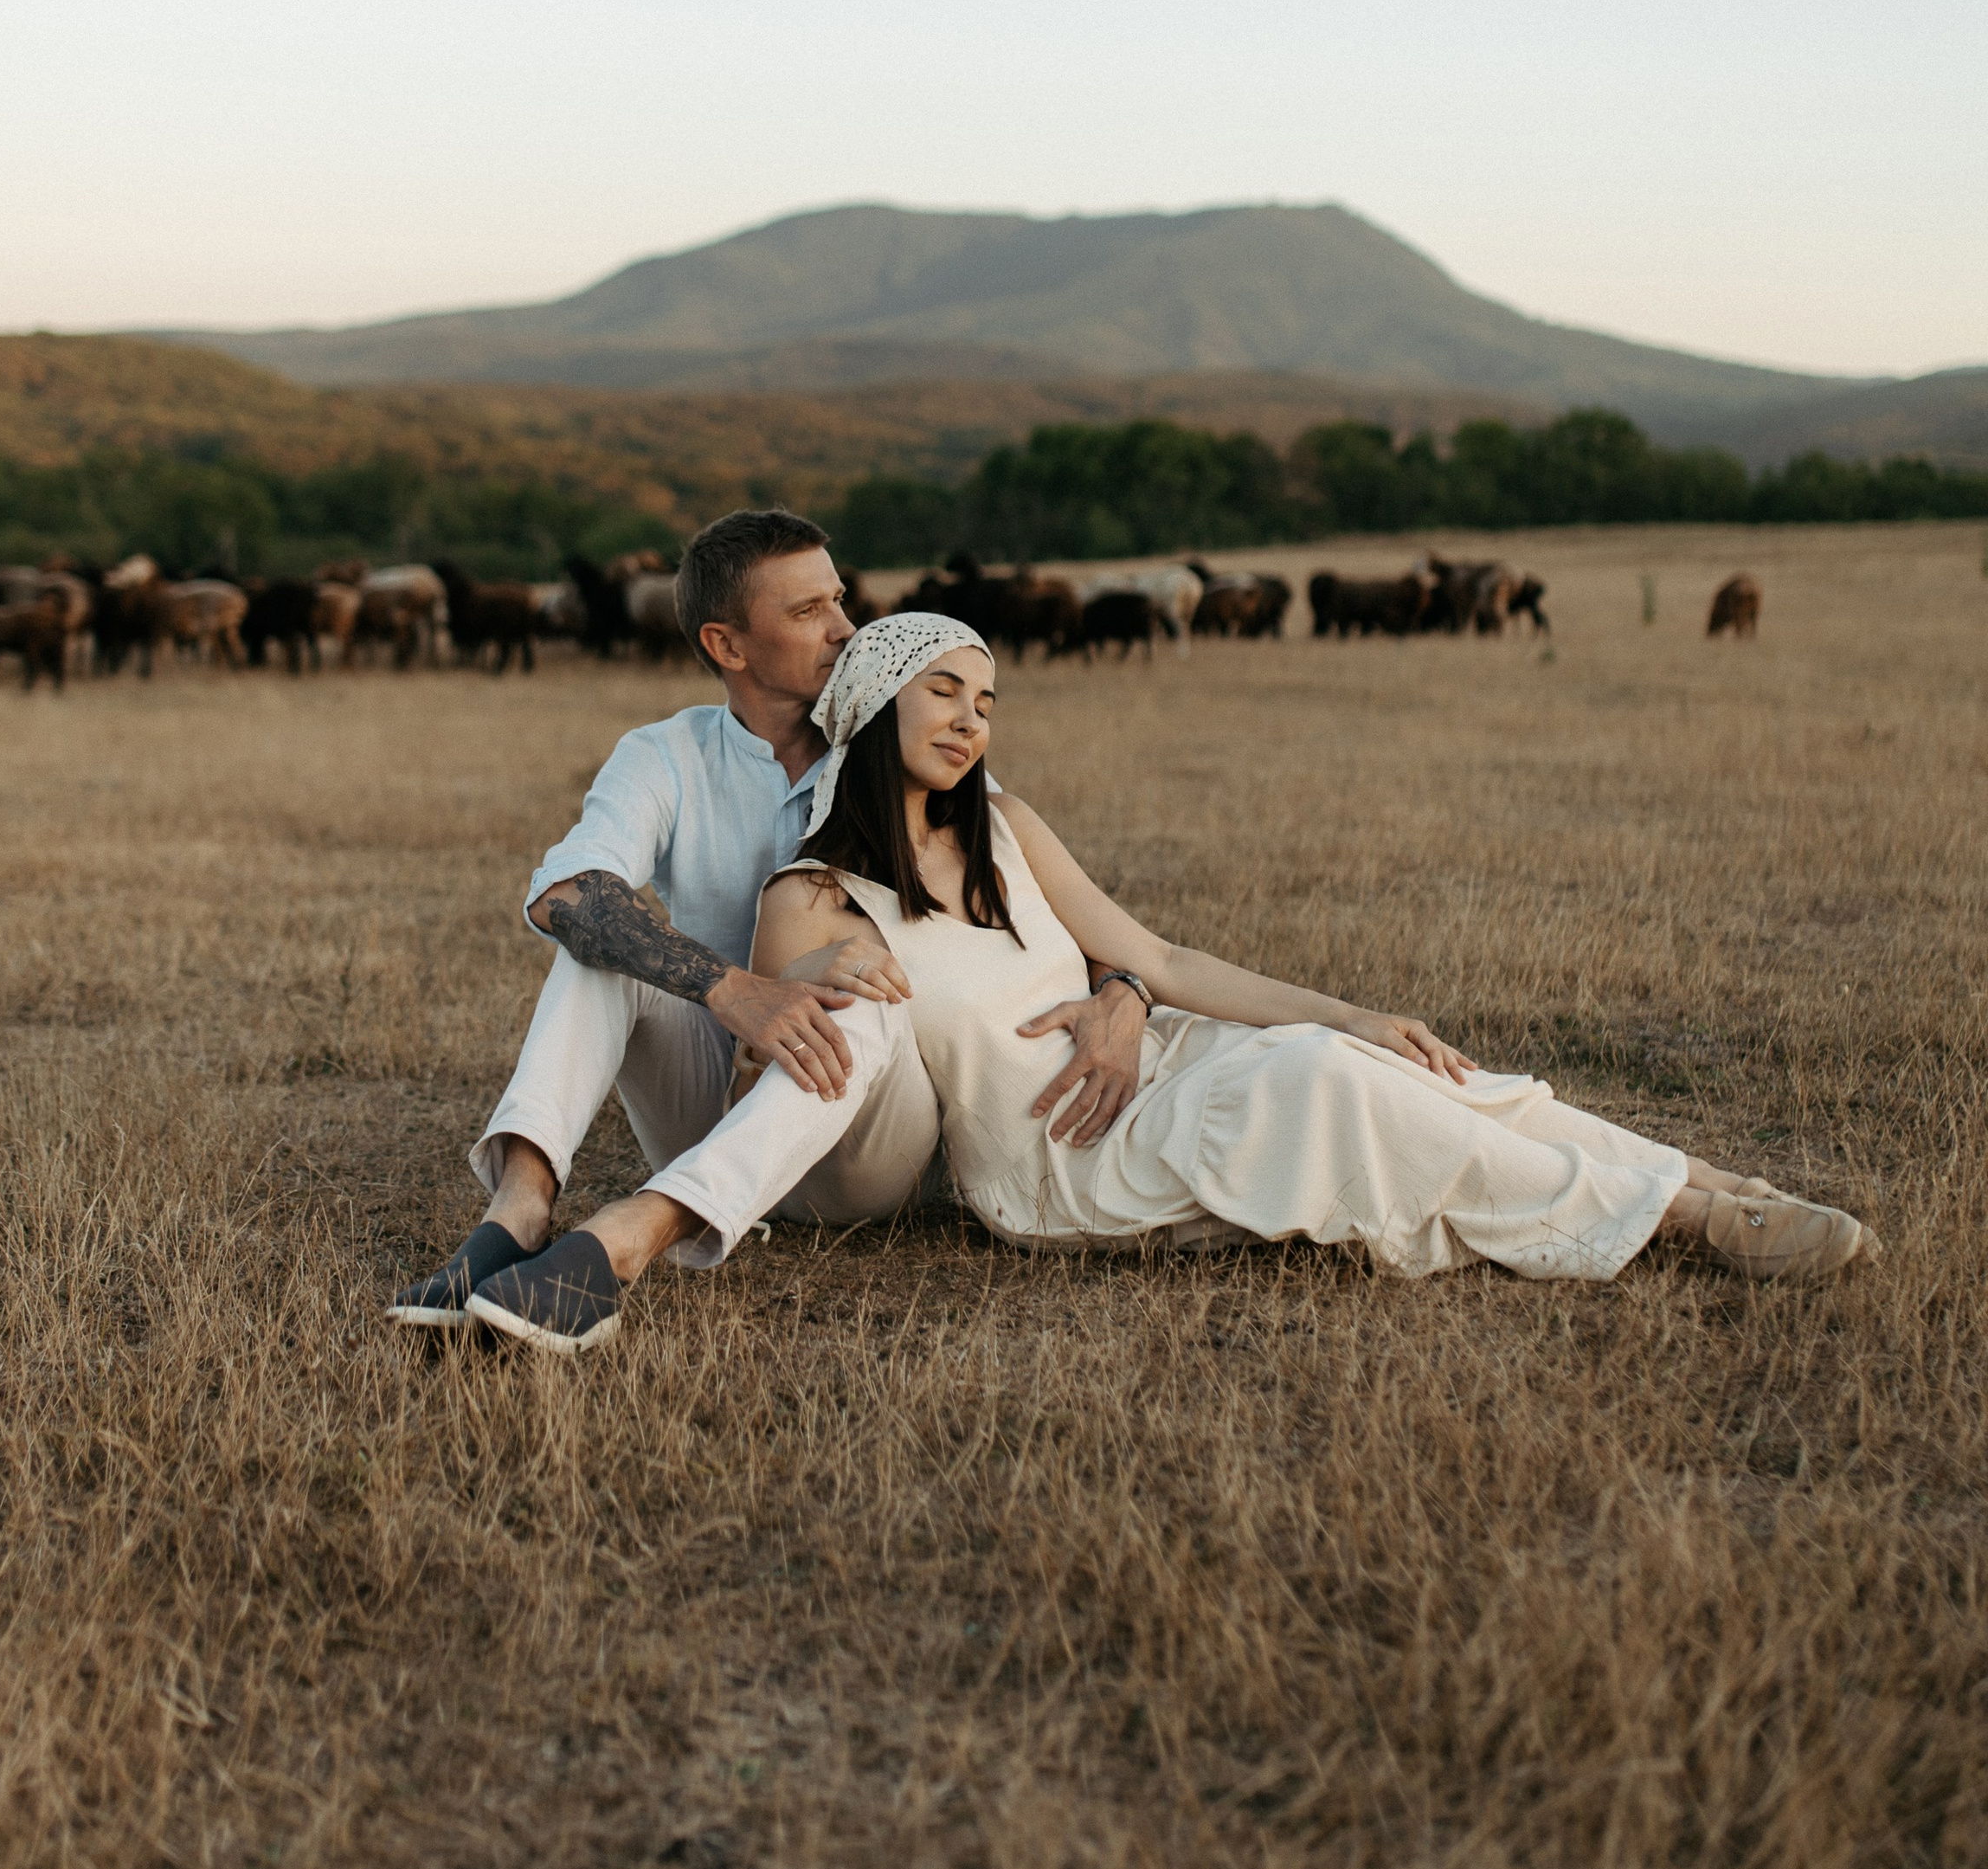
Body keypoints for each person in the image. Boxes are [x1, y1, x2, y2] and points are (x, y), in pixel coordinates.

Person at [740, 614, 1876, 1287]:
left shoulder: (1009, 826)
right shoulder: (814, 895)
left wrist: (1351, 1012)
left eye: (986, 700)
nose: (971, 720)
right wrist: (798, 979)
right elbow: (768, 1057)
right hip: (1062, 1161)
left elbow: (1164, 961)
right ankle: (1682, 1223)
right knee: (1324, 1080)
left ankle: (1713, 1178)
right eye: (944, 692)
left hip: (1163, 1068)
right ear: (876, 699)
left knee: (1387, 1064)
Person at [387, 515, 1153, 1350]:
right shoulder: (665, 754)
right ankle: (518, 1215)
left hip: (871, 1140)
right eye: (806, 612)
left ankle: (628, 1241)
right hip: (719, 1099)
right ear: (728, 644)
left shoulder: (908, 747)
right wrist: (736, 990)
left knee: (860, 979)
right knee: (601, 942)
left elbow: (1056, 918)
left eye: (840, 600)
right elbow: (563, 893)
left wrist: (1125, 992)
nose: (846, 630)